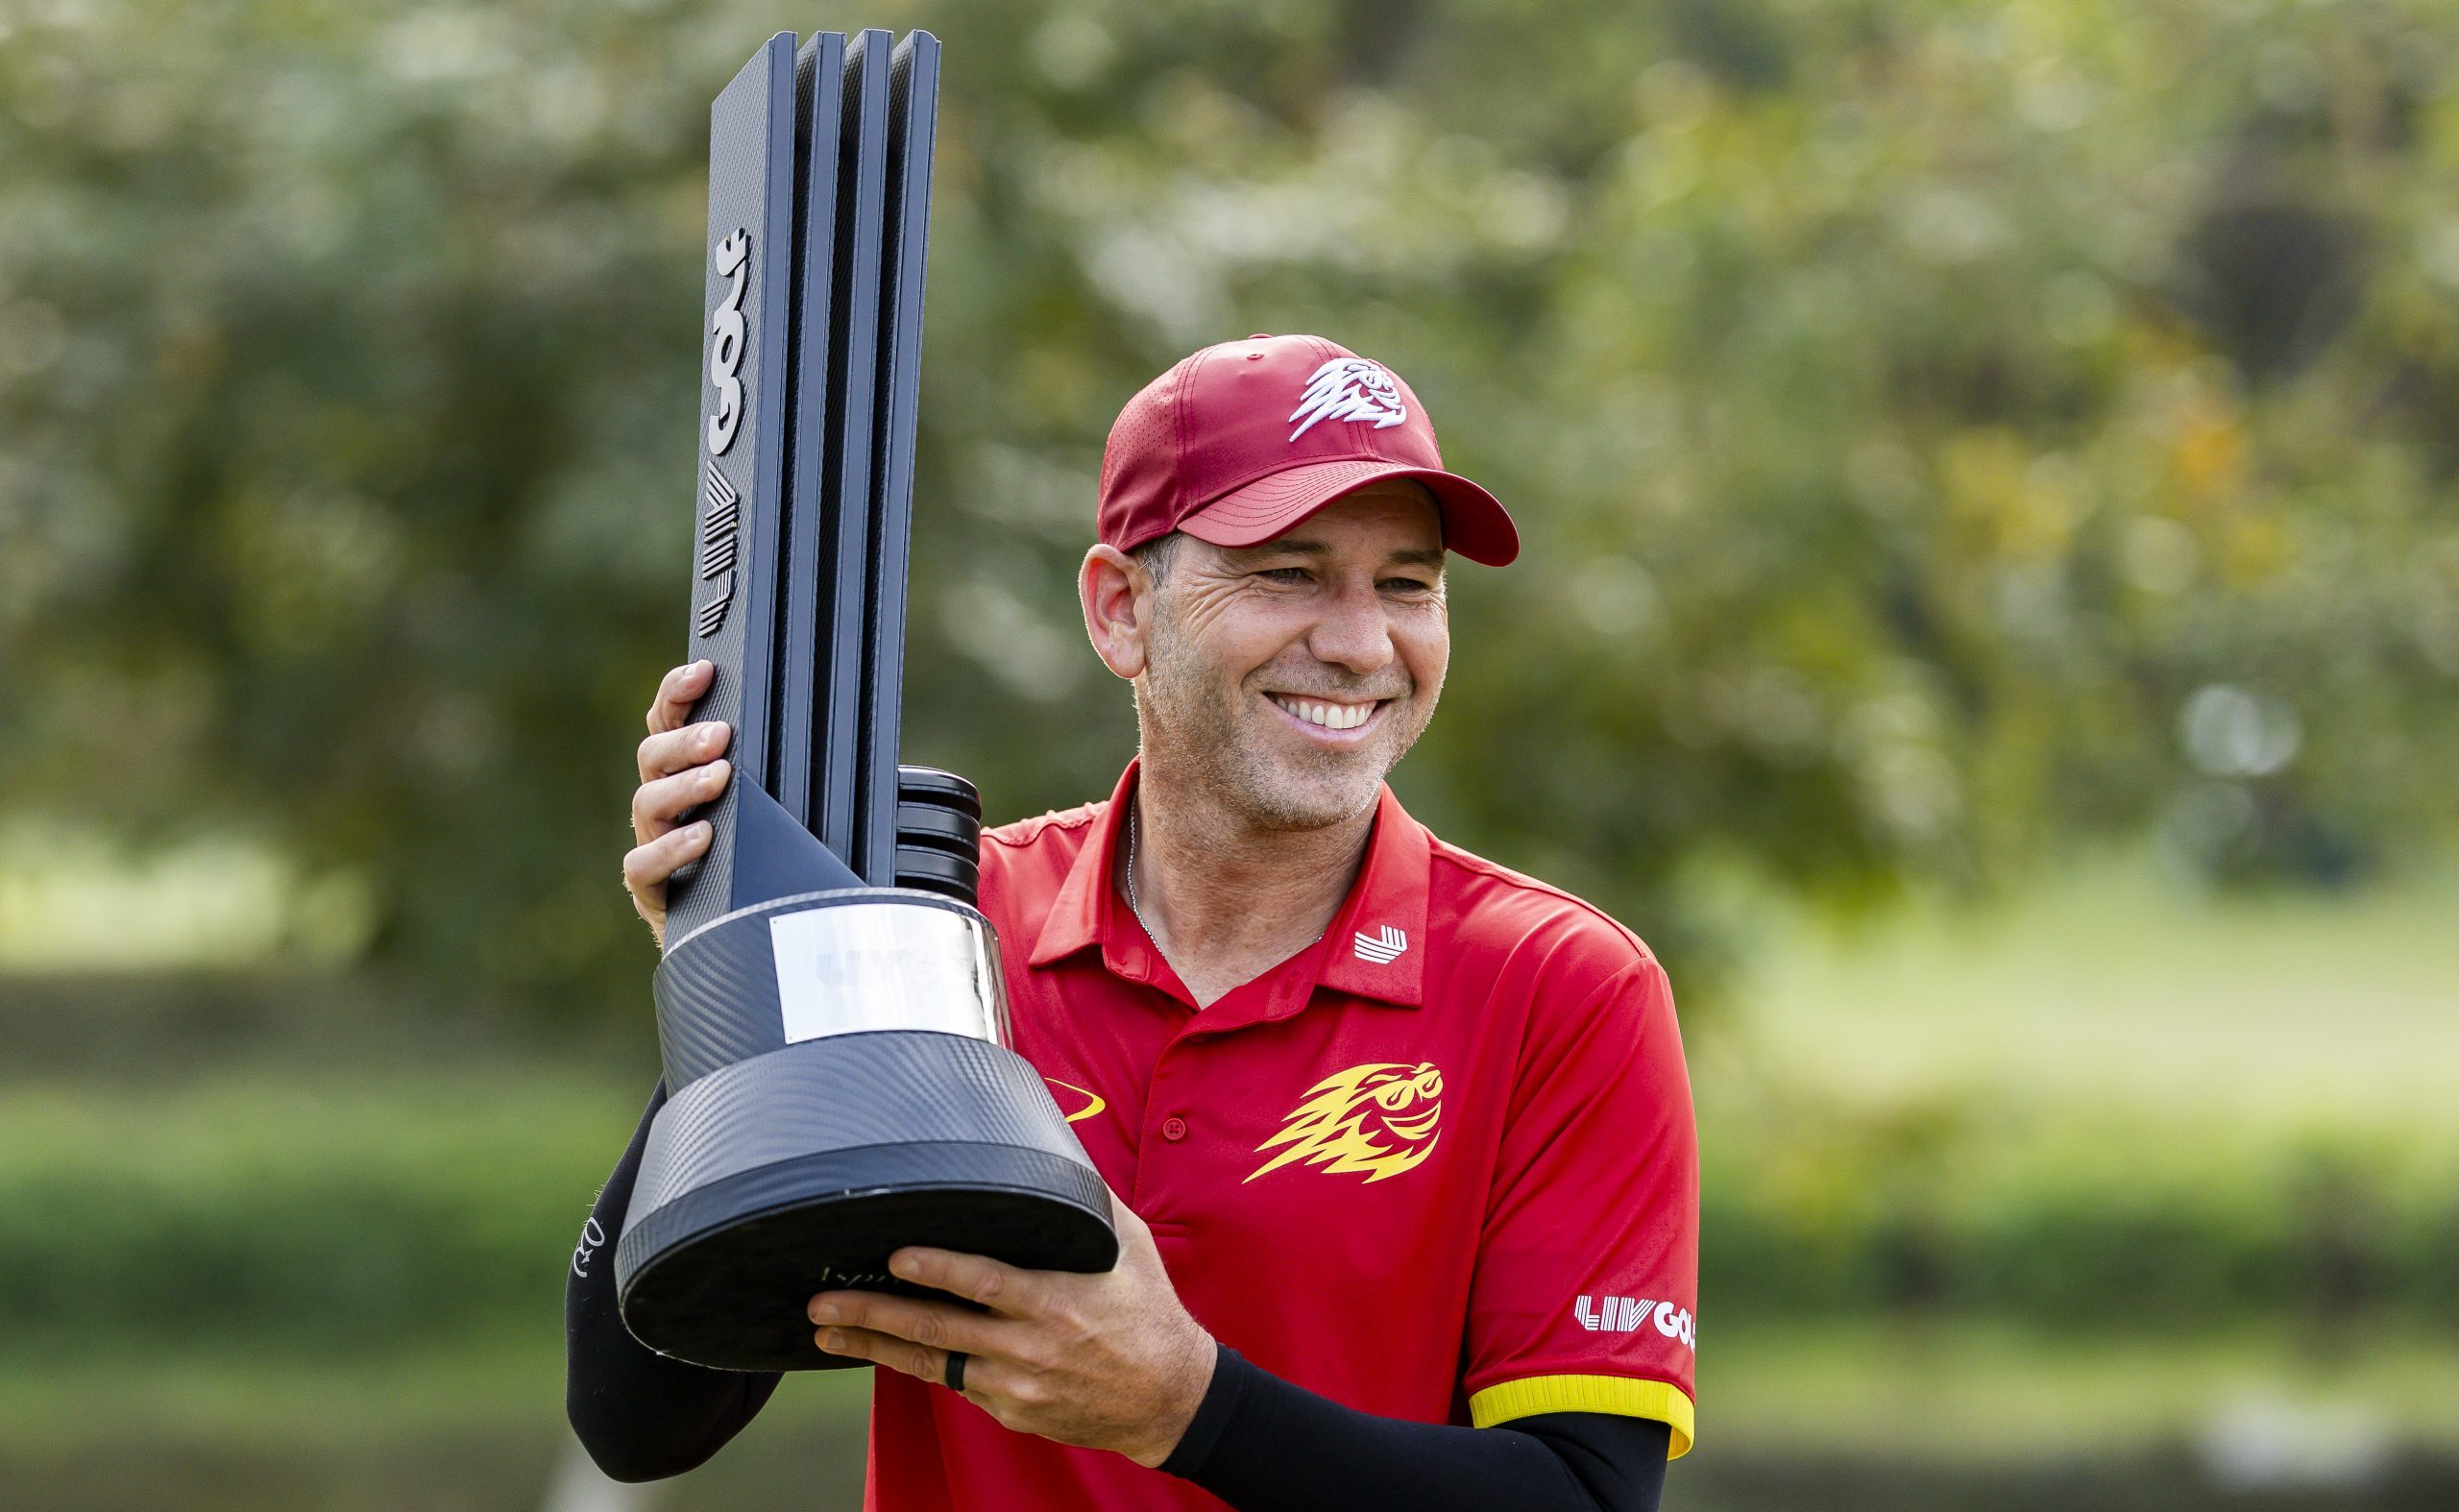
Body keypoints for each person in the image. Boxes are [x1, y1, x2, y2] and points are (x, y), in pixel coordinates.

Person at [571, 333, 1698, 1511]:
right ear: (1120, 609)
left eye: (1407, 584)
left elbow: (1584, 1496)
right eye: (1287, 572)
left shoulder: (1561, 985)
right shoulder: (944, 934)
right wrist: (739, 972)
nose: (1363, 642)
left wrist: (1187, 1409)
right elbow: (640, 1419)